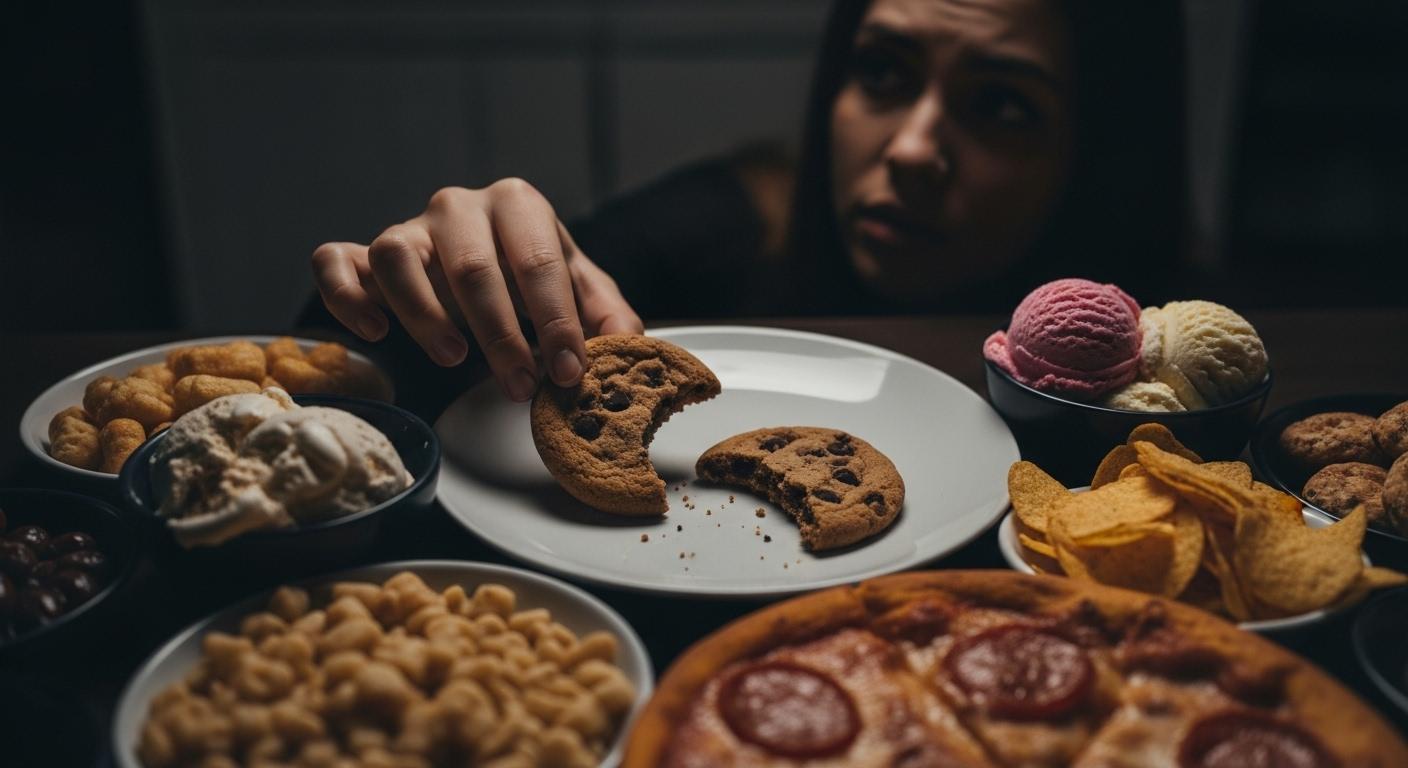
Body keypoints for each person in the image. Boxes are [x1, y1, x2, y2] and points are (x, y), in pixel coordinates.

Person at [308, 0, 1186, 405]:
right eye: (881, 71)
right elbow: (334, 362)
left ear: (1104, 152)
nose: (913, 149)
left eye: (1002, 104)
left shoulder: (1172, 383)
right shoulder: (722, 226)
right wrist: (407, 294)